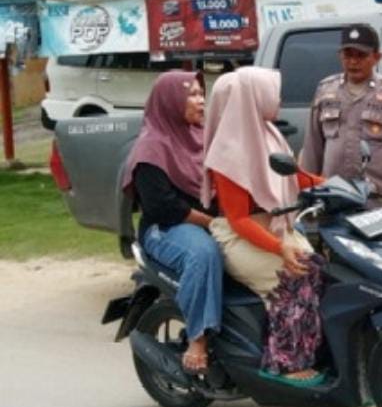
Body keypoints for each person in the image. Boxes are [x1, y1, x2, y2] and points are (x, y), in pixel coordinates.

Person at [202, 66, 324, 386]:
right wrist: (279, 248)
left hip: (277, 229)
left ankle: (312, 348)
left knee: (324, 270)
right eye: (272, 92)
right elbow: (239, 219)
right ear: (253, 97)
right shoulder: (228, 153)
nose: (279, 98)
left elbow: (296, 177)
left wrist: (341, 187)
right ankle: (283, 362)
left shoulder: (268, 134)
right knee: (296, 278)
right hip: (241, 238)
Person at [121, 71, 220, 374]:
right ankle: (198, 338)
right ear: (170, 101)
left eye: (202, 93)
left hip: (203, 221)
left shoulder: (202, 136)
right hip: (164, 229)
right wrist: (213, 224)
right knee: (203, 254)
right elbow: (163, 206)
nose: (201, 100)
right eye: (191, 94)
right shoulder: (151, 147)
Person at [300, 24, 382, 223]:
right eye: (348, 55)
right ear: (340, 56)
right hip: (334, 195)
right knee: (335, 250)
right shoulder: (325, 90)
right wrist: (307, 191)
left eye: (361, 56)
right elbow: (313, 145)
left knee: (378, 252)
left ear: (376, 57)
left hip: (377, 199)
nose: (353, 62)